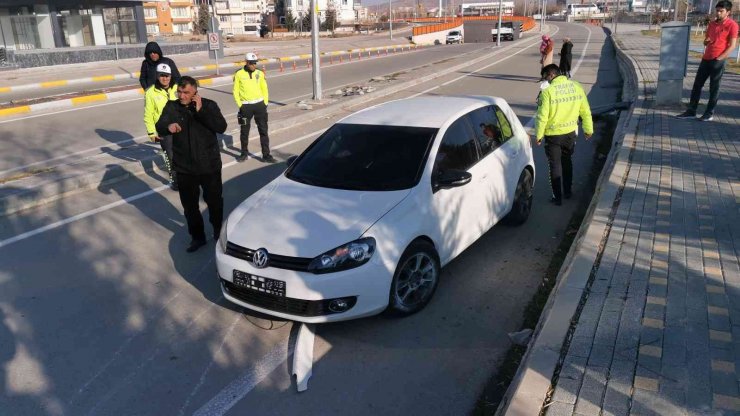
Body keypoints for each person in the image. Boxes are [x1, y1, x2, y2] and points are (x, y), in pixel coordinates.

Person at [156, 76, 227, 253]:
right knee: (190, 207)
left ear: (195, 91)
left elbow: (221, 127)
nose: (182, 96)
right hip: (184, 167)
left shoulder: (209, 105)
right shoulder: (172, 107)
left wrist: (201, 110)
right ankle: (197, 237)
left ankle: (218, 231)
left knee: (215, 202)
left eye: (186, 92)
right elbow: (160, 125)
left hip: (208, 165)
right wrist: (168, 127)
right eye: (179, 92)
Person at [535, 64, 593, 206]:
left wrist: (538, 135)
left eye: (545, 77)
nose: (545, 81)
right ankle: (567, 192)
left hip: (553, 136)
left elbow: (542, 116)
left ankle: (557, 197)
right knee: (567, 161)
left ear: (551, 75)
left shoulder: (547, 92)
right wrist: (588, 129)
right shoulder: (577, 86)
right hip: (570, 134)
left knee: (554, 166)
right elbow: (585, 110)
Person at [676, 0, 738, 121]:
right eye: (717, 10)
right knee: (697, 85)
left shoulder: (732, 25)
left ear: (728, 12)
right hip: (706, 58)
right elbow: (706, 40)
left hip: (718, 60)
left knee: (714, 87)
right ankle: (691, 111)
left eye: (721, 11)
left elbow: (732, 45)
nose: (718, 13)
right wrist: (706, 41)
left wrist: (720, 57)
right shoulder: (712, 24)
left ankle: (709, 113)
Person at [233, 52, 275, 163]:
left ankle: (266, 155)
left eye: (254, 63)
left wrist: (265, 103)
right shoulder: (239, 74)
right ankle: (244, 153)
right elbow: (235, 90)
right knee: (244, 132)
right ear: (246, 63)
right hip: (245, 107)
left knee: (263, 131)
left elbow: (264, 88)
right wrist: (240, 105)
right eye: (251, 63)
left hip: (259, 106)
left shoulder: (260, 73)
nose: (253, 66)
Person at [143, 63, 178, 190]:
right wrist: (152, 133)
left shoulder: (176, 88)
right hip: (163, 129)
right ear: (157, 76)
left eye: (167, 75)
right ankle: (175, 179)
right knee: (170, 155)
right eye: (162, 75)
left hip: (179, 126)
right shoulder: (150, 92)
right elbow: (148, 115)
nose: (165, 78)